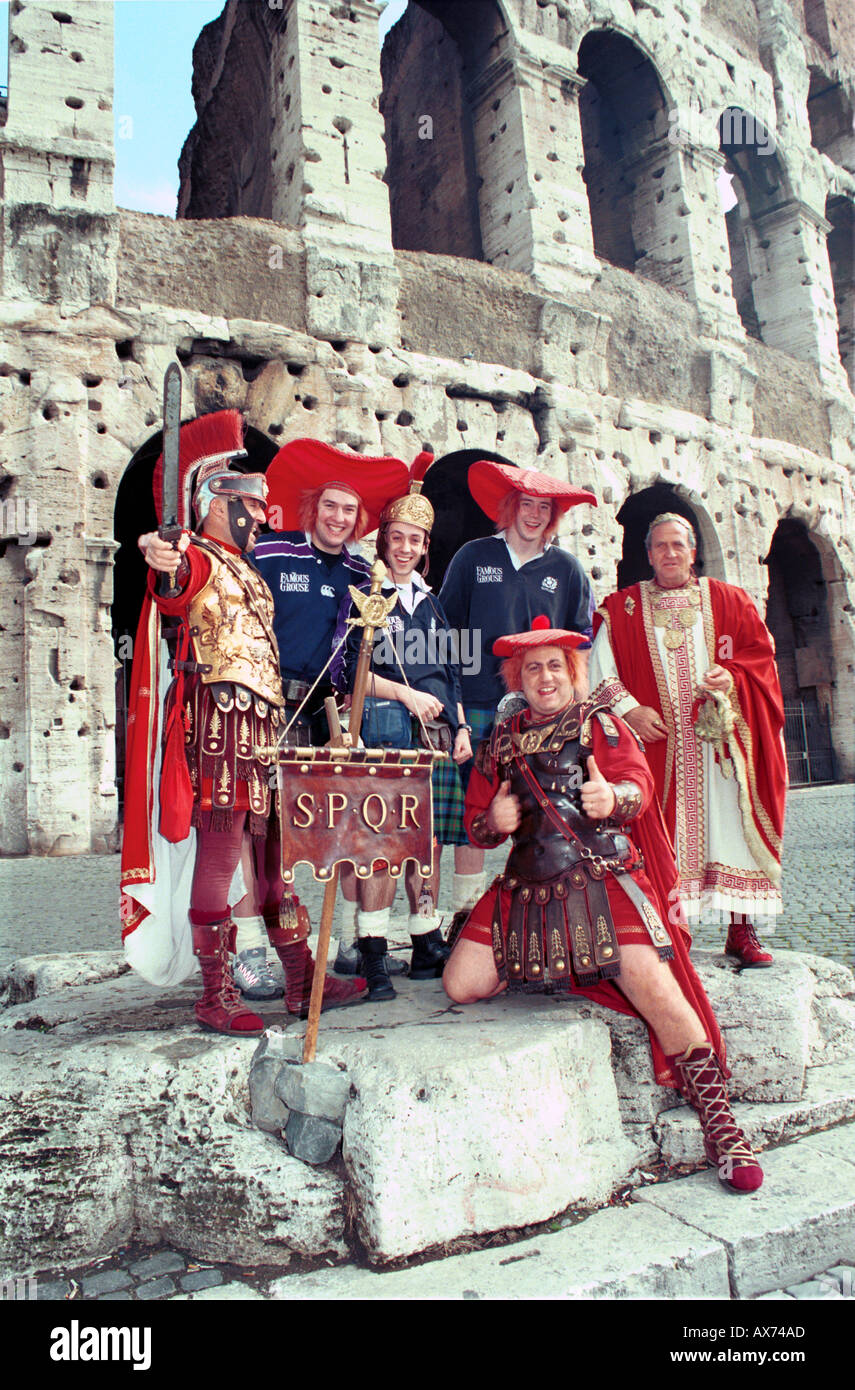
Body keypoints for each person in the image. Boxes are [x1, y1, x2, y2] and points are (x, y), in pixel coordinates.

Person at [443, 616, 764, 1193]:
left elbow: (639, 790)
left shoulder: (602, 727)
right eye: (533, 668)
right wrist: (492, 822)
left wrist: (612, 795)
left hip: (600, 875)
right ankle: (564, 962)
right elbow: (475, 824)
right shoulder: (502, 738)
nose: (545, 678)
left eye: (556, 667)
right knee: (461, 984)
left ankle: (723, 1126)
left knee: (655, 986)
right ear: (519, 676)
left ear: (574, 674)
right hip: (526, 883)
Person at [121, 411, 365, 1034]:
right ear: (214, 504)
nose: (261, 516)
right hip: (218, 729)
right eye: (250, 506)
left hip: (262, 730)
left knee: (274, 859)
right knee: (222, 851)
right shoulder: (197, 558)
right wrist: (160, 554)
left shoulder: (250, 571)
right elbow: (172, 586)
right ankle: (213, 992)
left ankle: (302, 980)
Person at [228, 438, 411, 995]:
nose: (339, 517)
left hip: (327, 715)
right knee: (251, 826)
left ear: (360, 520)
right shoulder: (273, 552)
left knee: (328, 828)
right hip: (261, 706)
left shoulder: (363, 572)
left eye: (350, 510)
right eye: (330, 505)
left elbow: (360, 654)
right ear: (314, 509)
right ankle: (247, 946)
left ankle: (352, 946)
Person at [588, 513, 786, 967]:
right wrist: (629, 711)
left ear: (693, 552)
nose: (670, 553)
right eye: (660, 546)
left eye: (678, 545)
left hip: (719, 744)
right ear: (649, 554)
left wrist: (732, 677)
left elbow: (760, 658)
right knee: (659, 837)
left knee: (731, 829)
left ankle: (742, 930)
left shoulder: (729, 601)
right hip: (656, 747)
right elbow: (600, 672)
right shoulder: (625, 608)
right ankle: (670, 931)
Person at [332, 455, 472, 998]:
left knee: (427, 843)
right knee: (380, 846)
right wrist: (408, 696)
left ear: (424, 546)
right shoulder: (365, 598)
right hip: (386, 728)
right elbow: (351, 680)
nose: (407, 547)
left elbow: (452, 675)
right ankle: (371, 951)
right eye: (398, 537)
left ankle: (423, 940)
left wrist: (459, 727)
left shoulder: (432, 606)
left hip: (436, 738)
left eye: (416, 539)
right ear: (384, 540)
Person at [435, 460, 597, 929]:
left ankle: (540, 911)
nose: (533, 514)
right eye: (526, 504)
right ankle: (466, 916)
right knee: (475, 811)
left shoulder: (567, 569)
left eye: (544, 507)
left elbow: (579, 643)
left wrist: (577, 708)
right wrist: (454, 703)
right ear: (511, 507)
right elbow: (446, 631)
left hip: (540, 713)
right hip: (477, 705)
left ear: (553, 516)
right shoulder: (474, 557)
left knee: (543, 812)